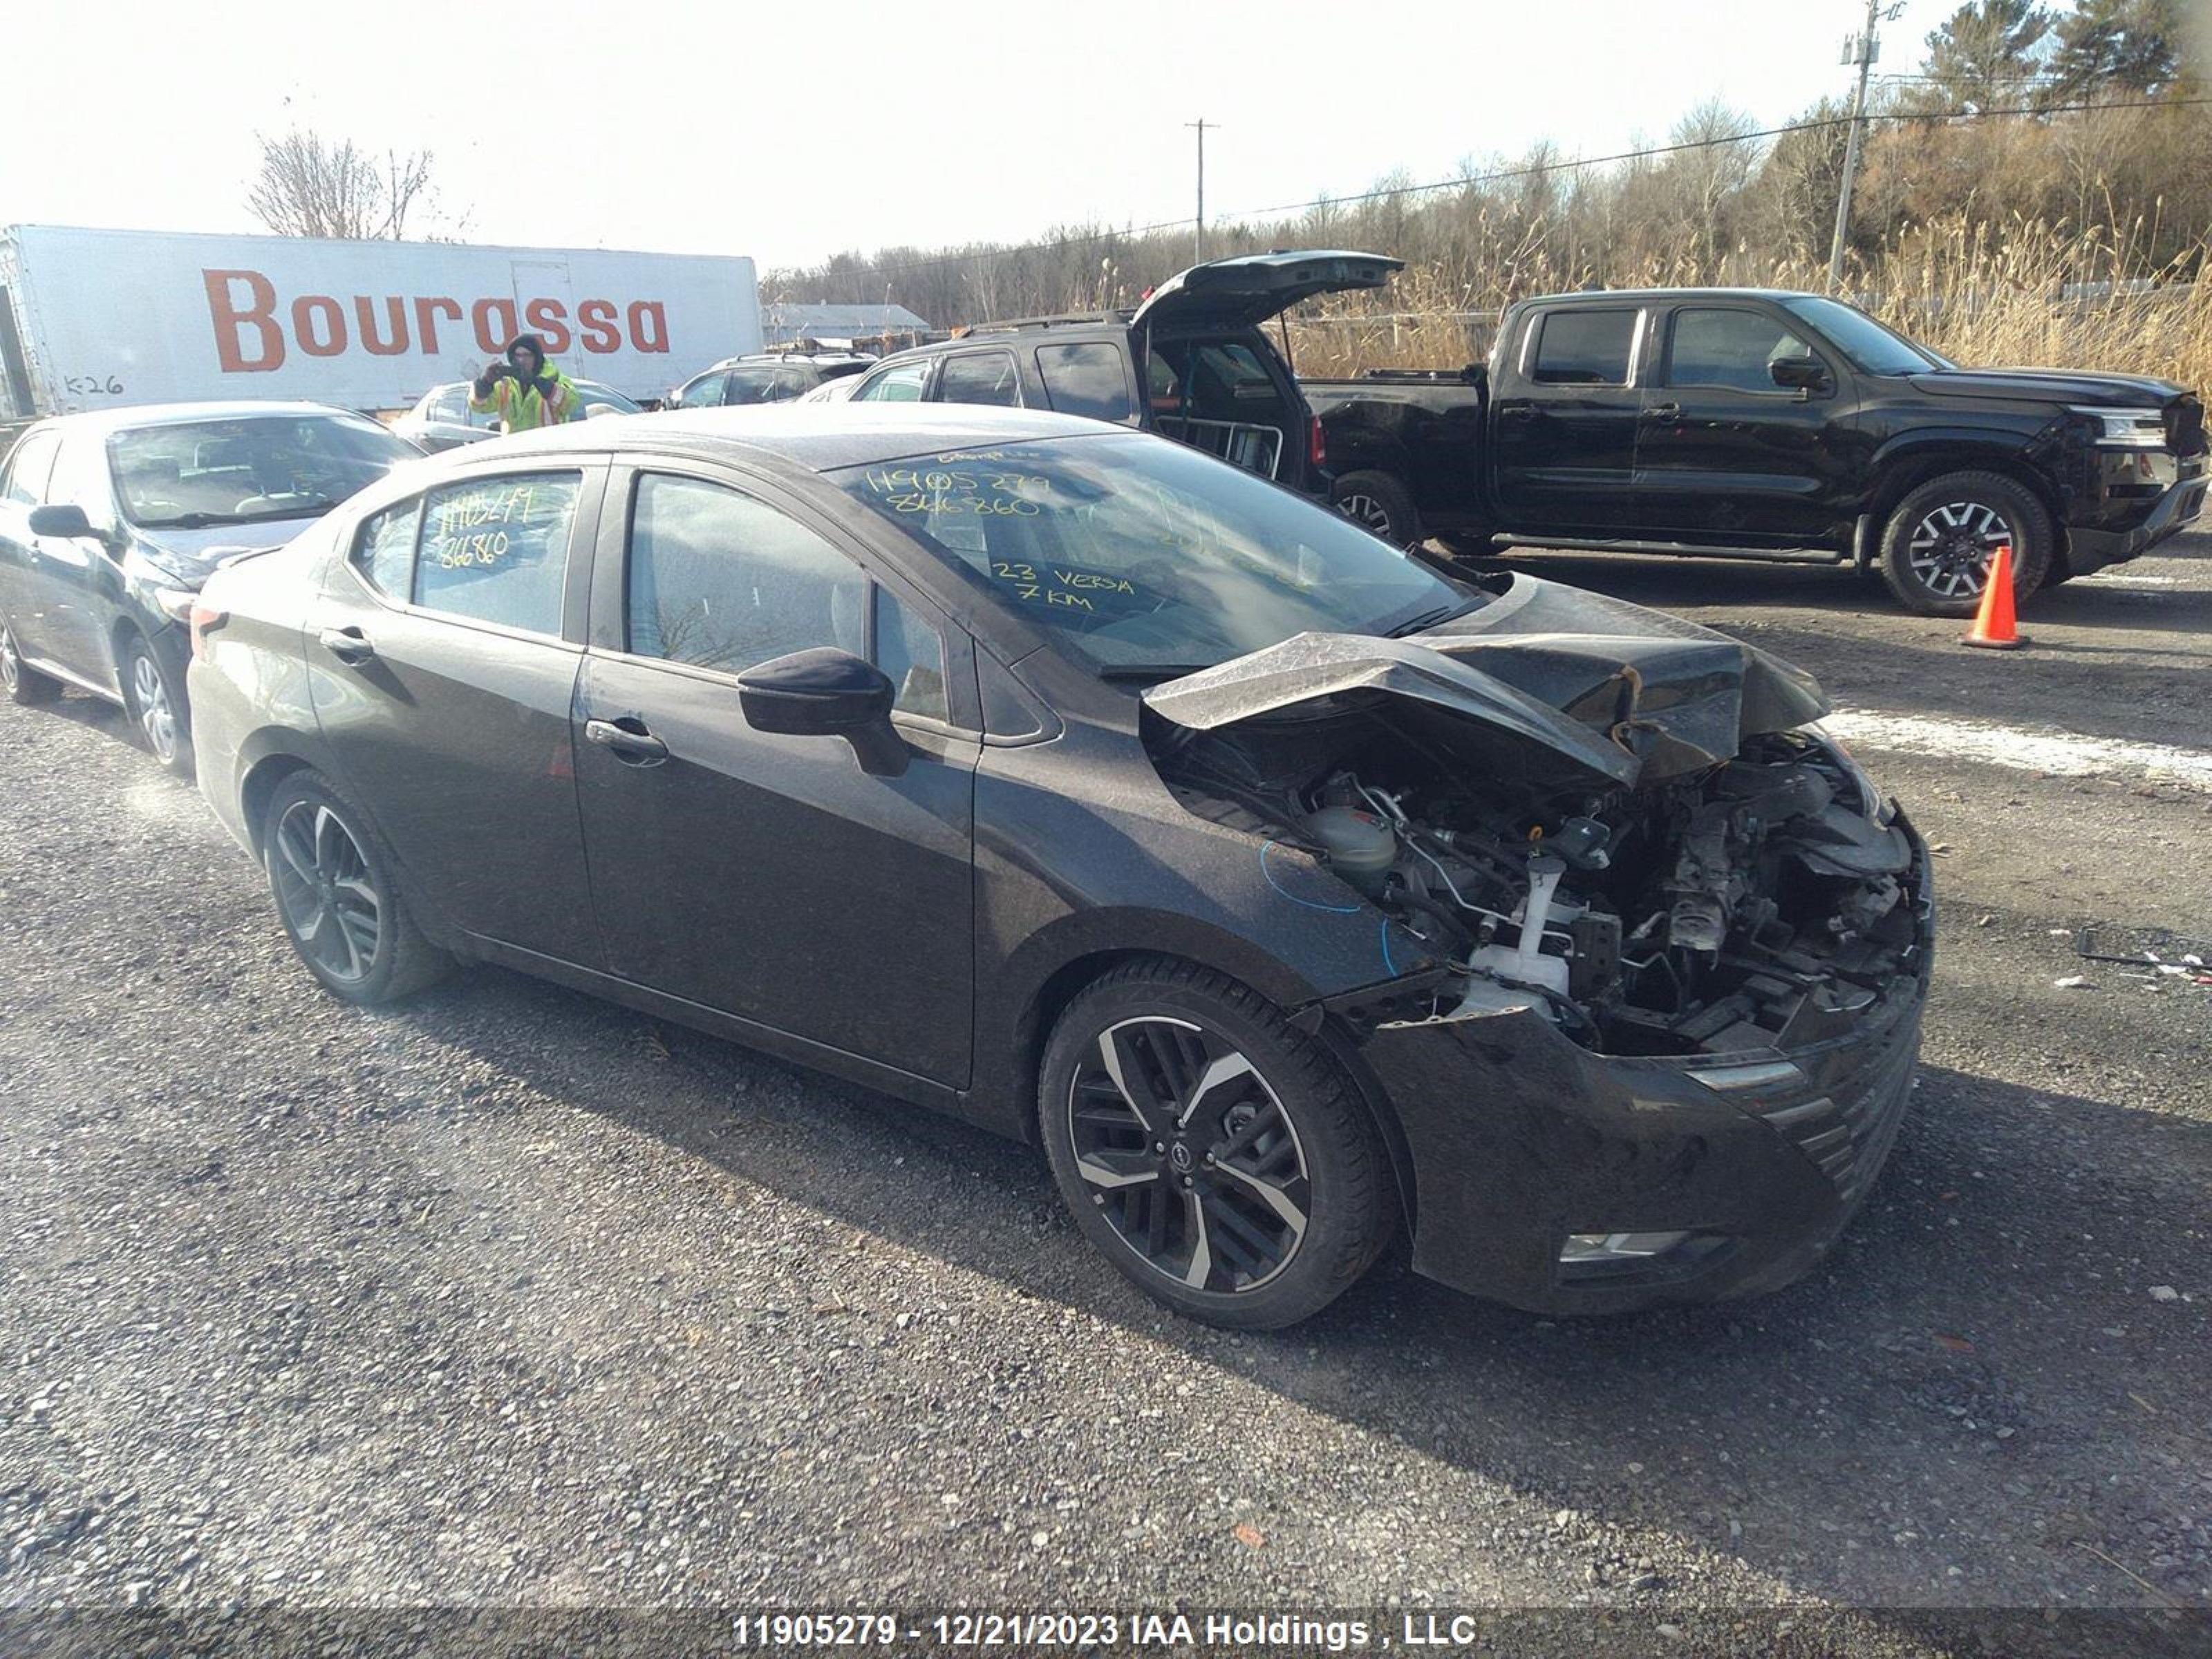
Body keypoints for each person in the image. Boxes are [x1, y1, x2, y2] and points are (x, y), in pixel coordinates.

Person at [470, 334, 575, 433]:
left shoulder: (555, 378)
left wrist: (539, 383)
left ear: (537, 357)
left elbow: (571, 403)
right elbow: (479, 406)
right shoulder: (505, 384)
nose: (522, 360)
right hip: (516, 449)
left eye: (527, 355)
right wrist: (485, 383)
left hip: (548, 448)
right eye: (518, 355)